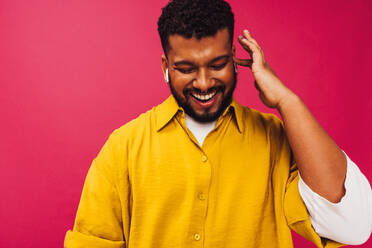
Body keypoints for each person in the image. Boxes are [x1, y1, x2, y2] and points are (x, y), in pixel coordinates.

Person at [64, 0, 372, 247]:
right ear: (166, 67)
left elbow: (353, 226)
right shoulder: (123, 147)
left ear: (236, 58)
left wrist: (287, 100)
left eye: (217, 64)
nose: (203, 83)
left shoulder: (278, 139)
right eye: (185, 68)